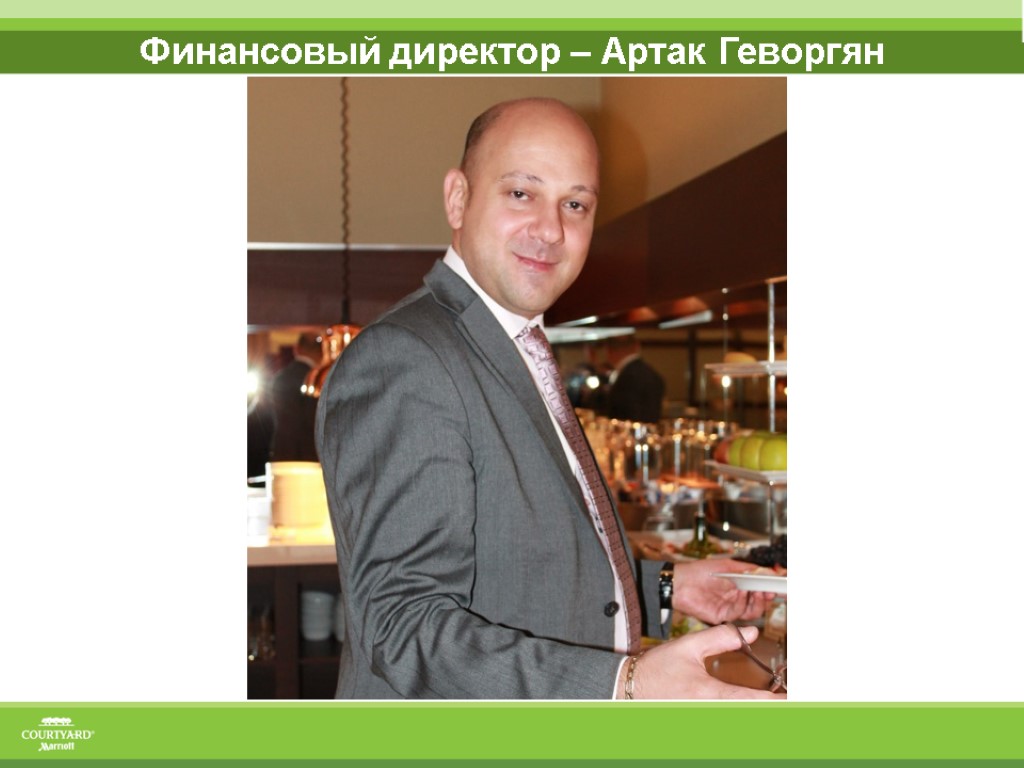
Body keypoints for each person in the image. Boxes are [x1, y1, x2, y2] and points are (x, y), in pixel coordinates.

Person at [315, 98, 781, 700]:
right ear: (457, 199)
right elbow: (405, 627)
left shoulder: (511, 343)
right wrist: (625, 684)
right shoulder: (408, 358)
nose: (551, 229)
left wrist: (668, 586)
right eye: (521, 193)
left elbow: (521, 568)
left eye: (575, 204)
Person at [269, 332, 321, 462]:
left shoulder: (280, 377)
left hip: (282, 452)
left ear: (296, 349)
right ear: (320, 352)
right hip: (309, 454)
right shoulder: (317, 381)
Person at [604, 334, 666, 424]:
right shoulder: (653, 374)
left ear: (609, 350)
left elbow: (625, 416)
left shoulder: (627, 378)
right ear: (636, 346)